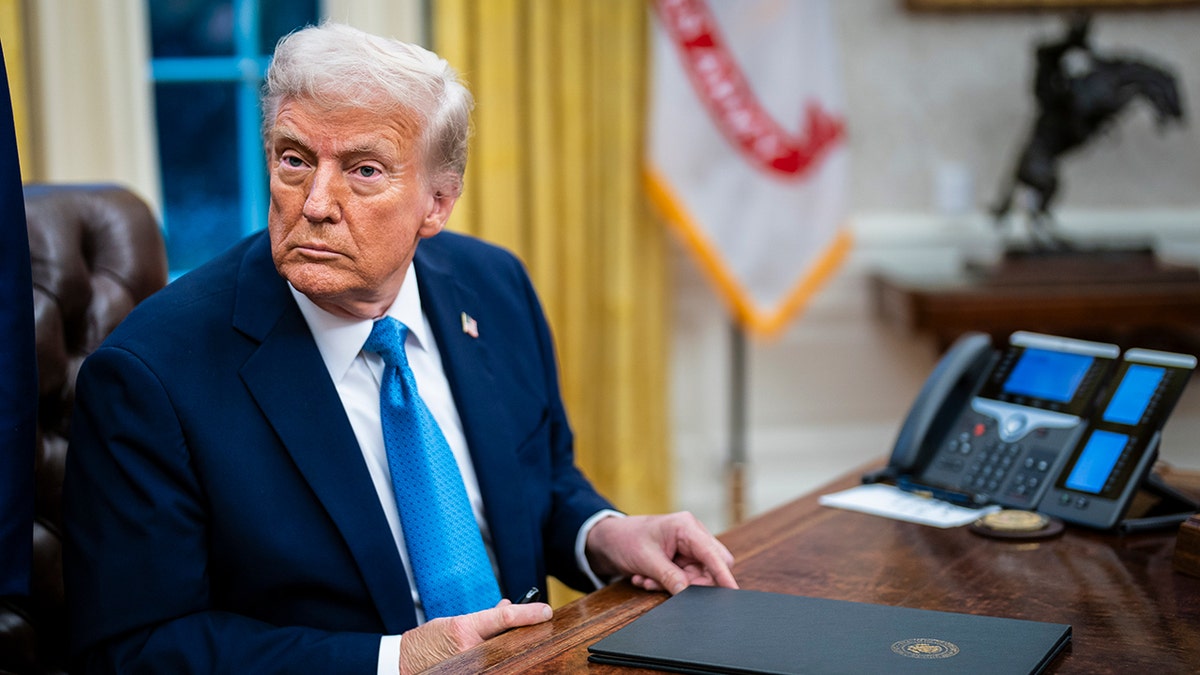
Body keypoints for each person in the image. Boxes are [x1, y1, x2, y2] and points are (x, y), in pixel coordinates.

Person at [62, 21, 737, 675]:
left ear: (437, 202)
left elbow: (540, 478)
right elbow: (134, 649)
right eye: (294, 159)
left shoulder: (493, 286)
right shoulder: (151, 375)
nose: (316, 202)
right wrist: (392, 661)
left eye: (363, 170)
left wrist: (603, 533)